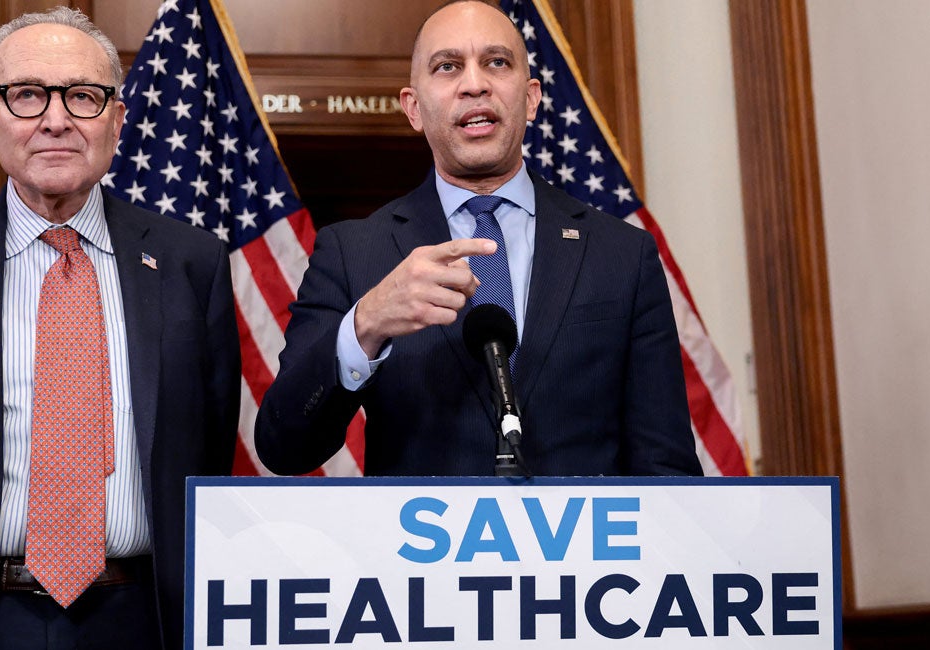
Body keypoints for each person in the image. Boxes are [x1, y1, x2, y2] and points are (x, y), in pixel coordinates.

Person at [0, 7, 238, 648]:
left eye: (83, 96)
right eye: (28, 94)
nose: (56, 120)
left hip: (143, 617)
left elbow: (209, 442)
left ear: (117, 120)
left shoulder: (191, 263)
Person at [254, 0, 701, 478]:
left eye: (497, 62)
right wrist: (366, 325)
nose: (474, 84)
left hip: (580, 529)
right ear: (413, 108)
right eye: (447, 67)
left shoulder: (623, 254)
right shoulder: (352, 254)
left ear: (531, 98)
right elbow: (284, 446)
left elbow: (666, 467)